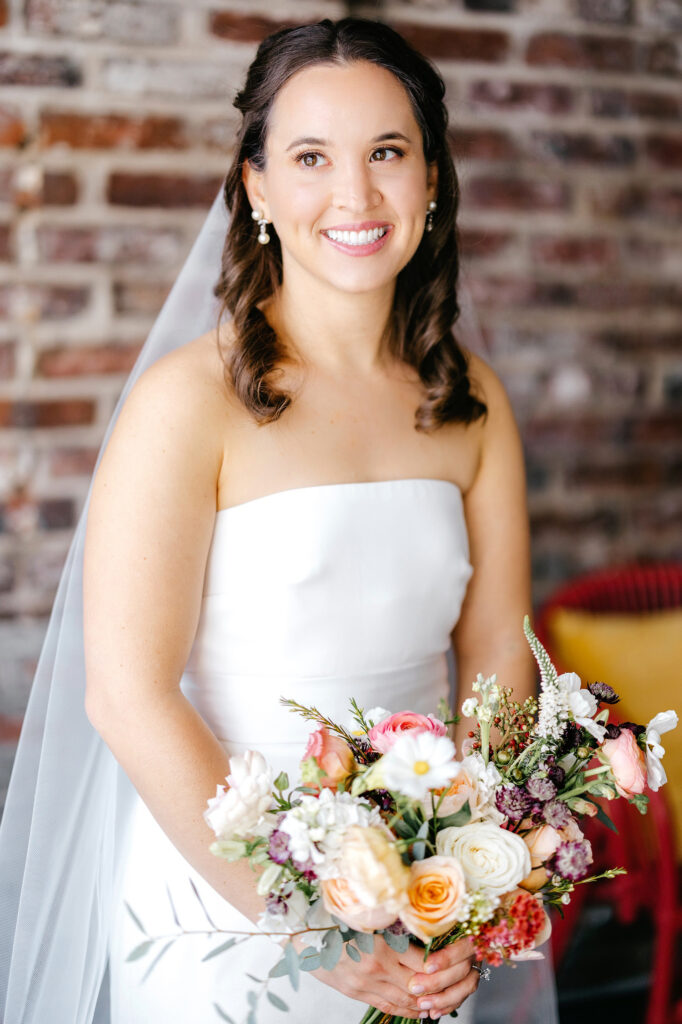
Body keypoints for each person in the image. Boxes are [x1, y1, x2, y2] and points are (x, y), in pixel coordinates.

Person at [0, 18, 559, 1024]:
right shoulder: (189, 402)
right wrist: (304, 916)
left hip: (416, 910)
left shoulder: (470, 399)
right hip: (226, 911)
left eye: (388, 153)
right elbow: (127, 695)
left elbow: (495, 664)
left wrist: (473, 881)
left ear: (431, 179)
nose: (354, 196)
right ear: (257, 187)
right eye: (310, 158)